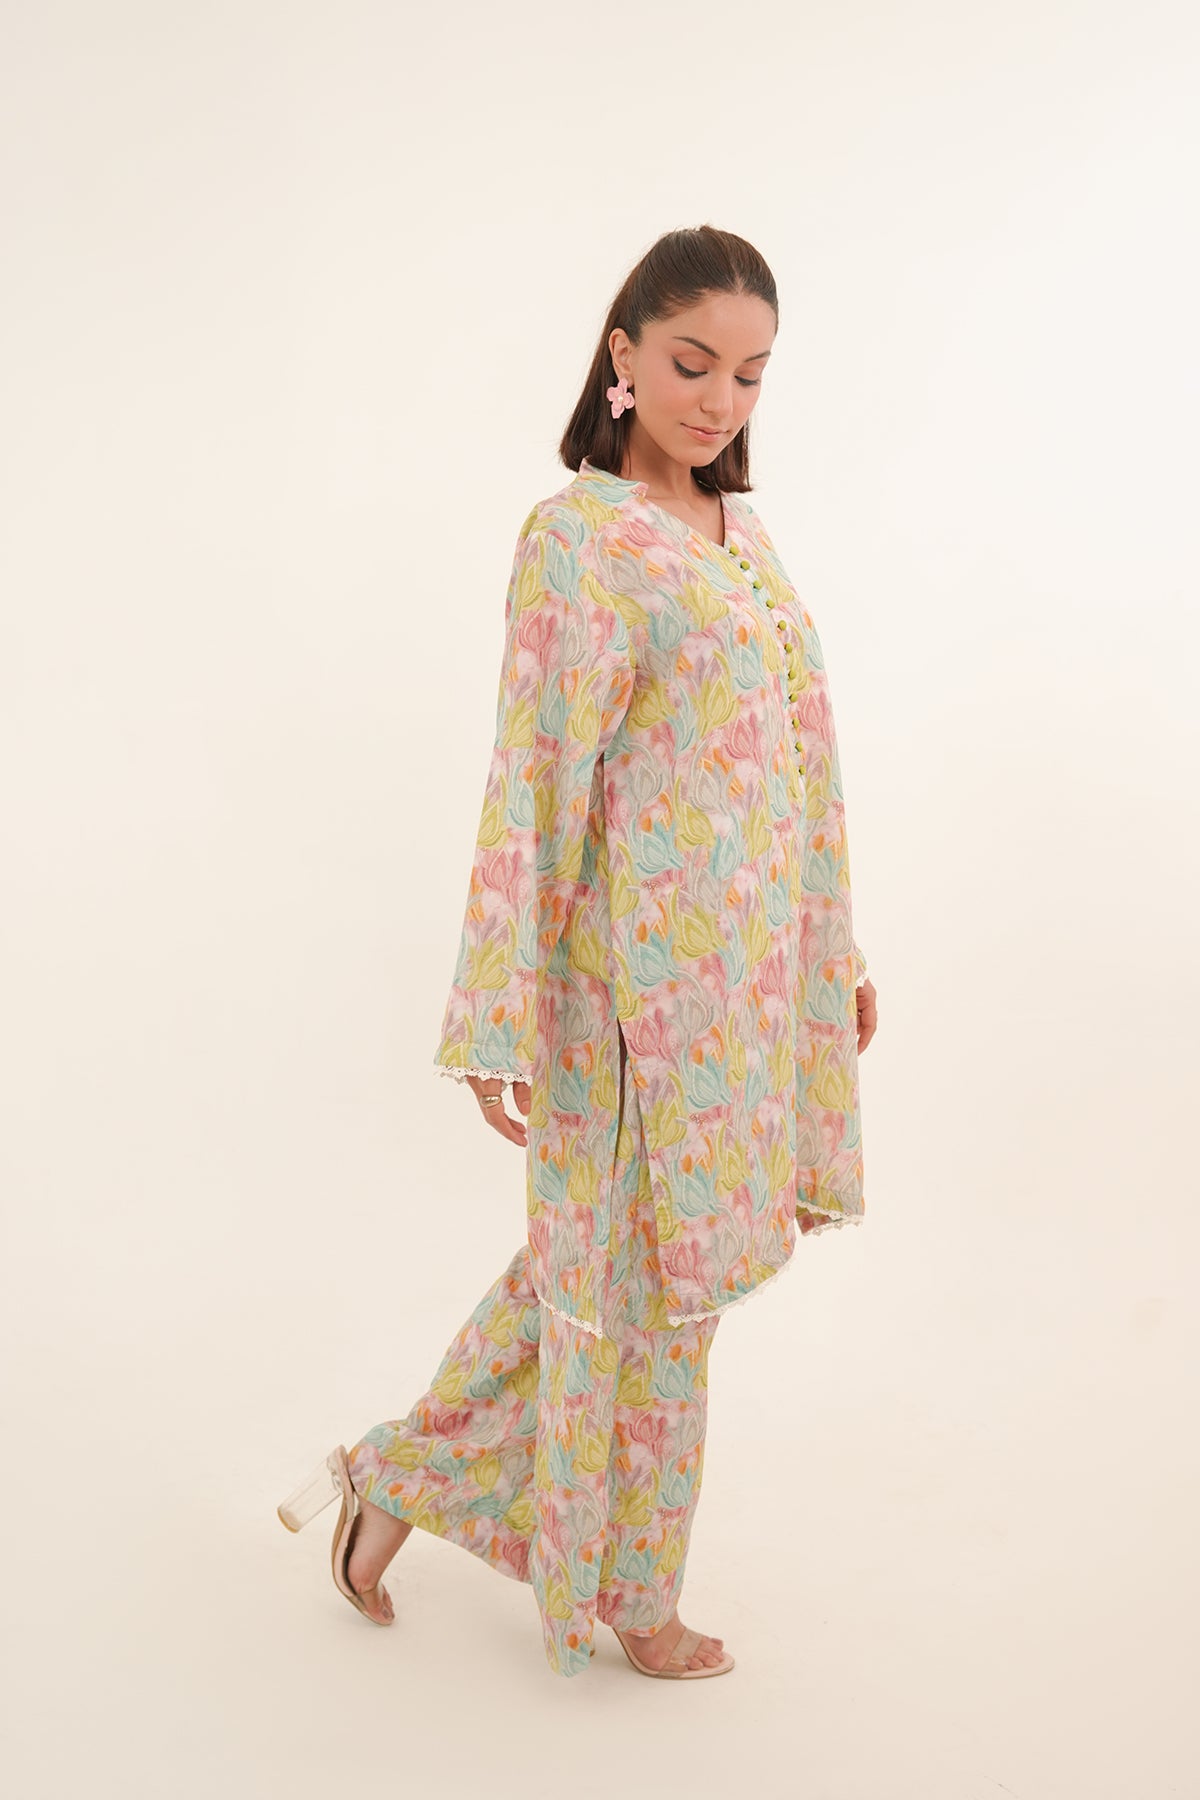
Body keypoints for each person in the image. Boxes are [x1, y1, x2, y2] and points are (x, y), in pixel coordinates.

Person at [277, 224, 878, 1680]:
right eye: (692, 362)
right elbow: (534, 782)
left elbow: (798, 768)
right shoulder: (580, 540)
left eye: (750, 374)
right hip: (627, 996)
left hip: (743, 992)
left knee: (619, 1279)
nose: (720, 400)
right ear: (623, 353)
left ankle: (387, 1478)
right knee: (636, 1299)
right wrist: (500, 1008)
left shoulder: (744, 539)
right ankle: (635, 1596)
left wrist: (831, 956)